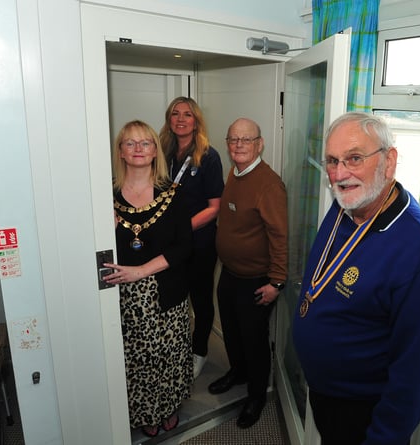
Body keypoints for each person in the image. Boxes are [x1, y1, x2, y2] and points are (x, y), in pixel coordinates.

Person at [292, 112, 420, 445]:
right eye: (332, 161)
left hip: (365, 413)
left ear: (389, 160)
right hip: (327, 395)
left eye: (354, 158)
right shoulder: (347, 204)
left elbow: (416, 372)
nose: (339, 174)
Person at [103, 120, 193, 438]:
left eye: (145, 143)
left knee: (169, 354)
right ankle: (142, 411)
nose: (138, 149)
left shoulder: (174, 194)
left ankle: (167, 408)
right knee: (136, 359)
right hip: (123, 296)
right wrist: (106, 228)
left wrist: (142, 271)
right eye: (130, 143)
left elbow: (185, 246)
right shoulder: (104, 195)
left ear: (155, 150)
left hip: (167, 291)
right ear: (121, 152)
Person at [208, 118, 288, 429]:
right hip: (229, 273)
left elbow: (279, 237)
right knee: (231, 331)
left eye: (246, 140)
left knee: (254, 342)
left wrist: (276, 282)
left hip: (256, 280)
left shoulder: (269, 184)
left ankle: (256, 396)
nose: (239, 145)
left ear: (260, 143)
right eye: (233, 140)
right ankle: (237, 372)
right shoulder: (235, 172)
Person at [160, 97, 225, 379]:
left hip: (199, 243)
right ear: (169, 119)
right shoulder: (161, 152)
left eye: (187, 114)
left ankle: (199, 351)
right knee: (173, 298)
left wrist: (181, 229)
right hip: (169, 244)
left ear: (196, 120)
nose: (181, 119)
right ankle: (175, 348)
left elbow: (214, 208)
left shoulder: (208, 156)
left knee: (200, 299)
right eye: (175, 113)